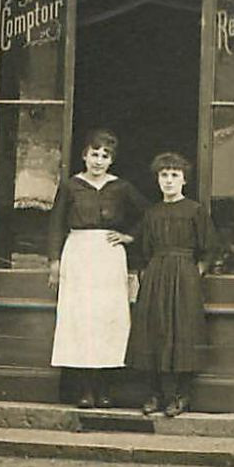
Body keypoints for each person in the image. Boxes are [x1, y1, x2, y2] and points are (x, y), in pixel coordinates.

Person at [47, 128, 147, 409]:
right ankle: (84, 390)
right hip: (78, 253)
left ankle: (104, 389)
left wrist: (129, 236)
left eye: (105, 156)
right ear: (84, 155)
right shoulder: (70, 186)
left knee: (106, 321)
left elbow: (149, 214)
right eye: (94, 154)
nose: (98, 161)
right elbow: (56, 224)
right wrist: (54, 262)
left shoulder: (121, 187)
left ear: (111, 160)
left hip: (108, 256)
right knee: (81, 321)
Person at [127, 151, 215, 417]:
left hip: (184, 275)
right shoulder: (152, 212)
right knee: (153, 329)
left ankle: (180, 395)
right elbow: (143, 248)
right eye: (164, 175)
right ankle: (154, 394)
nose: (168, 181)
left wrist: (193, 273)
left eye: (174, 176)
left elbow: (209, 248)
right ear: (157, 179)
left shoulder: (195, 211)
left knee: (182, 331)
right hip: (156, 274)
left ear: (184, 180)